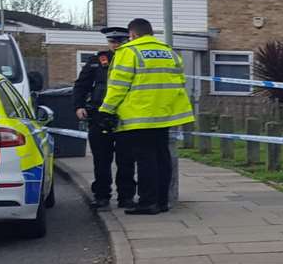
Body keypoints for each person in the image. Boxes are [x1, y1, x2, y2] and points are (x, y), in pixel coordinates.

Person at [97, 17, 195, 215]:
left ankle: (147, 202)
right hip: (166, 114)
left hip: (139, 115)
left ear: (132, 34)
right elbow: (179, 81)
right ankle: (162, 202)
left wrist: (106, 110)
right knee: (162, 157)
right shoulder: (169, 52)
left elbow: (118, 86)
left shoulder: (129, 52)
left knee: (145, 159)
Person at [73, 29, 134, 209]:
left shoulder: (133, 60)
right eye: (112, 42)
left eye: (119, 41)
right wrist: (78, 106)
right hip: (99, 115)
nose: (115, 45)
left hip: (126, 115)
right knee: (101, 160)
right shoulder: (97, 61)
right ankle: (101, 196)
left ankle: (126, 197)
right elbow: (81, 85)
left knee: (126, 160)